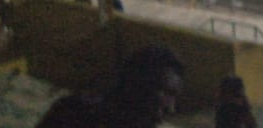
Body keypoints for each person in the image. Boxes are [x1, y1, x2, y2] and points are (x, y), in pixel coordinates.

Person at [35, 45, 184, 128]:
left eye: (174, 96)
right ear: (137, 88)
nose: (171, 108)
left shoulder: (70, 106)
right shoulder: (70, 114)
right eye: (166, 93)